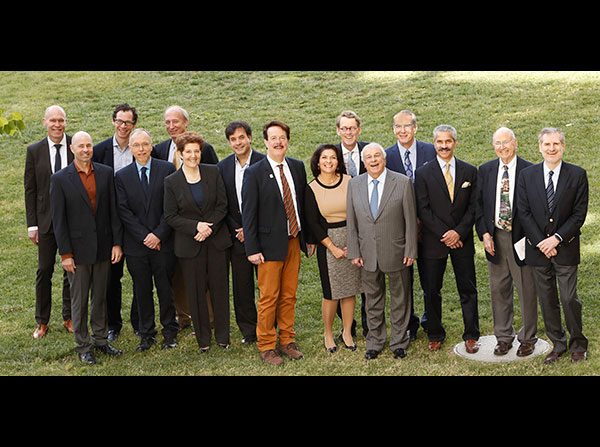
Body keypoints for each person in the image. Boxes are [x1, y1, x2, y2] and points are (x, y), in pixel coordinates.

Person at [241, 120, 315, 366]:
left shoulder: (297, 166)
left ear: (288, 140)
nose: (278, 141)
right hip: (268, 245)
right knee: (269, 296)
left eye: (282, 136)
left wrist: (309, 239)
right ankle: (266, 346)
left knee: (289, 295)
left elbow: (303, 206)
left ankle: (287, 339)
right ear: (265, 142)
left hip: (294, 240)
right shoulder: (254, 172)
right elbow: (248, 214)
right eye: (273, 137)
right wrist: (252, 249)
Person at [50, 131, 123, 365]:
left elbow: (113, 212)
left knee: (100, 297)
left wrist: (116, 243)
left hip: (103, 247)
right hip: (77, 251)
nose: (85, 150)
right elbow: (59, 221)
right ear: (72, 149)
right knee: (79, 301)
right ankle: (83, 345)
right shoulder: (60, 179)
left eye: (89, 145)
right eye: (80, 146)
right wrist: (66, 254)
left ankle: (101, 340)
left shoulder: (105, 173)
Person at [517, 127, 589, 364]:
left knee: (569, 298)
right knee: (547, 299)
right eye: (547, 144)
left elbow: (579, 214)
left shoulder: (577, 175)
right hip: (537, 250)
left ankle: (577, 342)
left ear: (563, 146)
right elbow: (524, 213)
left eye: (556, 144)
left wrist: (556, 239)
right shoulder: (527, 176)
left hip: (565, 248)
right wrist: (541, 242)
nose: (551, 148)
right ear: (540, 147)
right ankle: (558, 344)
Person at [346, 143, 418, 360]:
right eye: (369, 157)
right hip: (367, 253)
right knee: (372, 300)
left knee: (400, 298)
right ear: (363, 162)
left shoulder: (402, 182)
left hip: (396, 251)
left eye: (377, 156)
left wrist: (411, 249)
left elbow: (410, 220)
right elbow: (352, 221)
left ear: (384, 159)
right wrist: (354, 251)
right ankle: (375, 342)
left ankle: (398, 342)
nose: (374, 160)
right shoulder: (355, 184)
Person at [164, 131, 231, 353]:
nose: (193, 155)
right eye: (188, 152)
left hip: (216, 241)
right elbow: (171, 216)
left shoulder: (213, 172)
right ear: (181, 154)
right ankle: (203, 338)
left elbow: (222, 205)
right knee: (195, 292)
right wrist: (196, 227)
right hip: (190, 245)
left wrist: (207, 227)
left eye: (196, 151)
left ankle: (222, 335)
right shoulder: (172, 181)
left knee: (220, 289)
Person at [152, 105, 219, 331]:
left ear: (185, 123)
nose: (172, 126)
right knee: (176, 274)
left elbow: (213, 184)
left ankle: (209, 318)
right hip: (171, 223)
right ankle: (183, 317)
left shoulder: (203, 148)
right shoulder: (159, 149)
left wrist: (204, 225)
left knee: (204, 275)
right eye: (168, 122)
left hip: (200, 226)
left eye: (176, 122)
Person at [414, 125, 480, 353]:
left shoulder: (470, 172)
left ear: (455, 142)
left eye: (448, 141)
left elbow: (474, 207)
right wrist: (446, 234)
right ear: (434, 144)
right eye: (440, 142)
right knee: (431, 290)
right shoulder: (422, 173)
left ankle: (471, 334)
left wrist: (458, 233)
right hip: (434, 242)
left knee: (468, 289)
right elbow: (423, 209)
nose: (444, 146)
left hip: (462, 240)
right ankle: (434, 333)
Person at [476, 127, 538, 356]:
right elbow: (479, 206)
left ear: (516, 143)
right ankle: (503, 337)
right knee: (498, 288)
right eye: (497, 143)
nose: (502, 147)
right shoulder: (486, 170)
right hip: (495, 237)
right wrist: (484, 234)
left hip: (522, 238)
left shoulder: (530, 170)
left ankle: (528, 338)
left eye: (506, 142)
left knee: (526, 289)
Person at [114, 128, 179, 351]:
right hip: (136, 245)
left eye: (145, 144)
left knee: (165, 288)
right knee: (142, 290)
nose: (141, 149)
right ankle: (147, 333)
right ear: (130, 148)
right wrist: (145, 236)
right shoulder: (121, 177)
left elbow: (170, 206)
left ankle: (170, 331)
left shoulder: (167, 169)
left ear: (151, 146)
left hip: (163, 242)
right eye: (136, 145)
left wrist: (158, 234)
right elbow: (124, 212)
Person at [385, 109, 437, 341]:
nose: (402, 130)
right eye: (398, 126)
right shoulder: (386, 156)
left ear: (415, 128)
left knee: (429, 278)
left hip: (429, 226)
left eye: (407, 126)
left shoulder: (431, 150)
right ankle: (408, 324)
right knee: (403, 280)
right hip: (398, 228)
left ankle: (431, 322)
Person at [305, 144, 362, 353]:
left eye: (333, 157)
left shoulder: (350, 182)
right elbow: (312, 223)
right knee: (331, 292)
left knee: (350, 289)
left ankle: (347, 331)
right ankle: (328, 333)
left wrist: (354, 243)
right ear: (317, 162)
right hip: (328, 242)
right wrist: (334, 248)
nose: (329, 161)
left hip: (351, 237)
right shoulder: (311, 188)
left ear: (339, 161)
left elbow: (358, 211)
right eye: (324, 158)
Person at [24, 105, 73, 339]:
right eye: (52, 120)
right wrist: (32, 225)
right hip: (45, 222)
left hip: (72, 222)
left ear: (66, 122)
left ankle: (69, 317)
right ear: (44, 122)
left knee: (71, 271)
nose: (57, 124)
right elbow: (30, 189)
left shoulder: (76, 145)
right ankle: (42, 321)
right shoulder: (34, 151)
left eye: (61, 120)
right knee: (44, 270)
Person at [92, 103, 138, 341]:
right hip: (109, 224)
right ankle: (113, 324)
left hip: (137, 222)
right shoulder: (99, 152)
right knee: (111, 276)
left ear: (134, 125)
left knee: (140, 274)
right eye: (119, 121)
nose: (123, 126)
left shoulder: (141, 149)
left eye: (128, 122)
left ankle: (139, 322)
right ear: (113, 121)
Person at [217, 121, 265, 344]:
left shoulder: (265, 163)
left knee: (267, 285)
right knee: (241, 285)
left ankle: (268, 326)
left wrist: (251, 228)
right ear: (229, 142)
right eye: (233, 139)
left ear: (250, 138)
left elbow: (270, 201)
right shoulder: (223, 167)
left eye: (241, 137)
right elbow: (222, 202)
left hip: (263, 234)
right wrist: (239, 229)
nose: (238, 142)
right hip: (236, 236)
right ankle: (248, 330)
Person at [334, 110, 368, 336]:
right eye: (344, 128)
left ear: (359, 129)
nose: (348, 132)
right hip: (339, 224)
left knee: (368, 277)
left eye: (352, 128)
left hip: (367, 222)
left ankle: (369, 325)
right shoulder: (329, 154)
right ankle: (348, 325)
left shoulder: (370, 151)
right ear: (338, 130)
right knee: (340, 277)